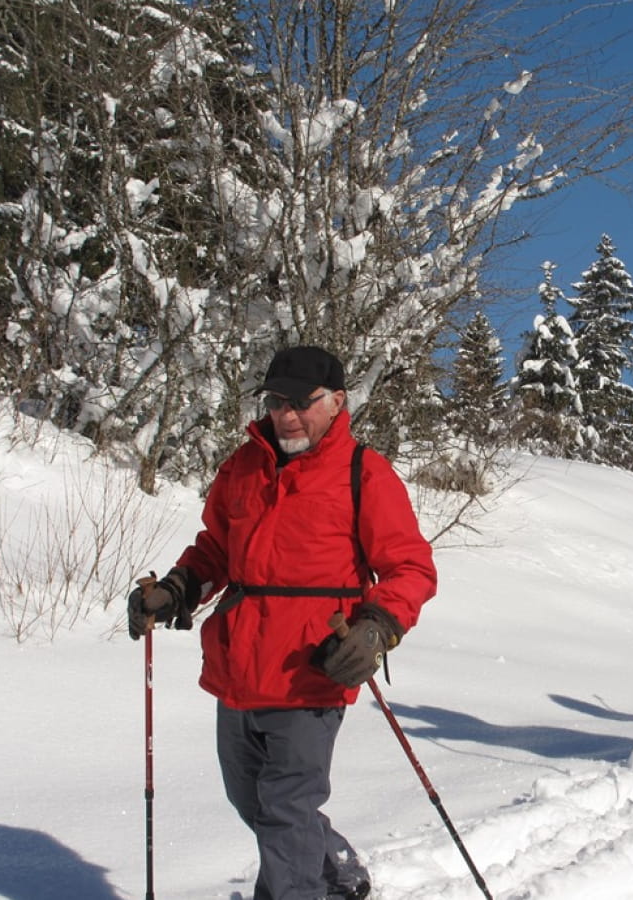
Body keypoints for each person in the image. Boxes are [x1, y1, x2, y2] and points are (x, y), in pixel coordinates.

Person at [127, 345, 437, 900]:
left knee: (286, 810)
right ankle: (338, 873)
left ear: (338, 401)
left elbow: (409, 566)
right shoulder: (243, 467)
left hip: (313, 669)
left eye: (302, 402)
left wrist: (377, 626)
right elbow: (215, 551)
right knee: (252, 799)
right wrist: (177, 590)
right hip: (238, 670)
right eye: (276, 401)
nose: (287, 415)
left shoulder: (363, 472)